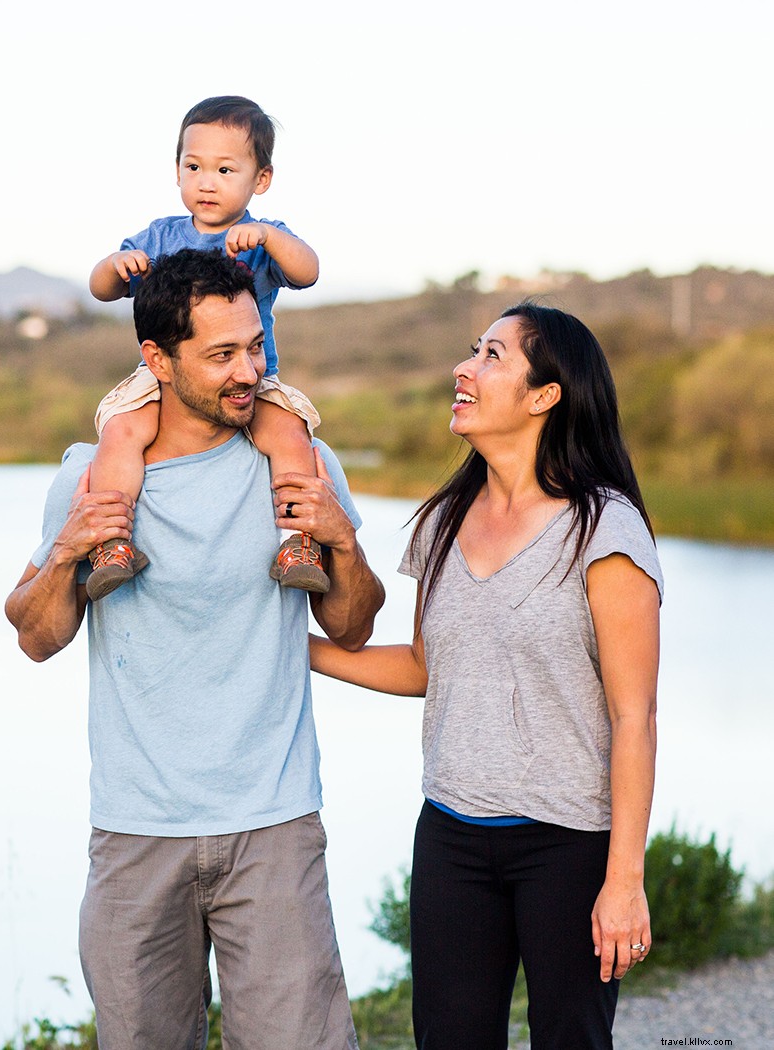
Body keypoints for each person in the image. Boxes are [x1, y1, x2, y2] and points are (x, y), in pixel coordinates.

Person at [5, 249, 384, 1048]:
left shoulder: (305, 464)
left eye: (255, 347)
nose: (247, 371)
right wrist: (70, 550)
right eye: (220, 355)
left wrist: (341, 541)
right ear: (157, 360)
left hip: (274, 825)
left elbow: (351, 628)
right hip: (137, 830)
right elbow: (37, 636)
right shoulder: (90, 478)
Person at [310, 303, 662, 1049]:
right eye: (473, 350)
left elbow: (635, 717)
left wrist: (623, 881)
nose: (463, 370)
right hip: (452, 837)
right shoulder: (444, 519)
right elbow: (422, 668)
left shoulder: (605, 529)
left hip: (568, 845)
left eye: (493, 356)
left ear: (545, 395)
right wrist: (295, 649)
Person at [83, 95, 328, 600]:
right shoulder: (159, 237)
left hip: (252, 378)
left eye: (225, 169)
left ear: (261, 180)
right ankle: (110, 541)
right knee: (122, 429)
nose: (207, 181)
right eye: (193, 166)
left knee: (287, 434)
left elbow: (308, 272)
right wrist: (115, 267)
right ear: (176, 171)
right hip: (168, 378)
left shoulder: (263, 237)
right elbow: (100, 288)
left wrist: (267, 236)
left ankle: (299, 541)